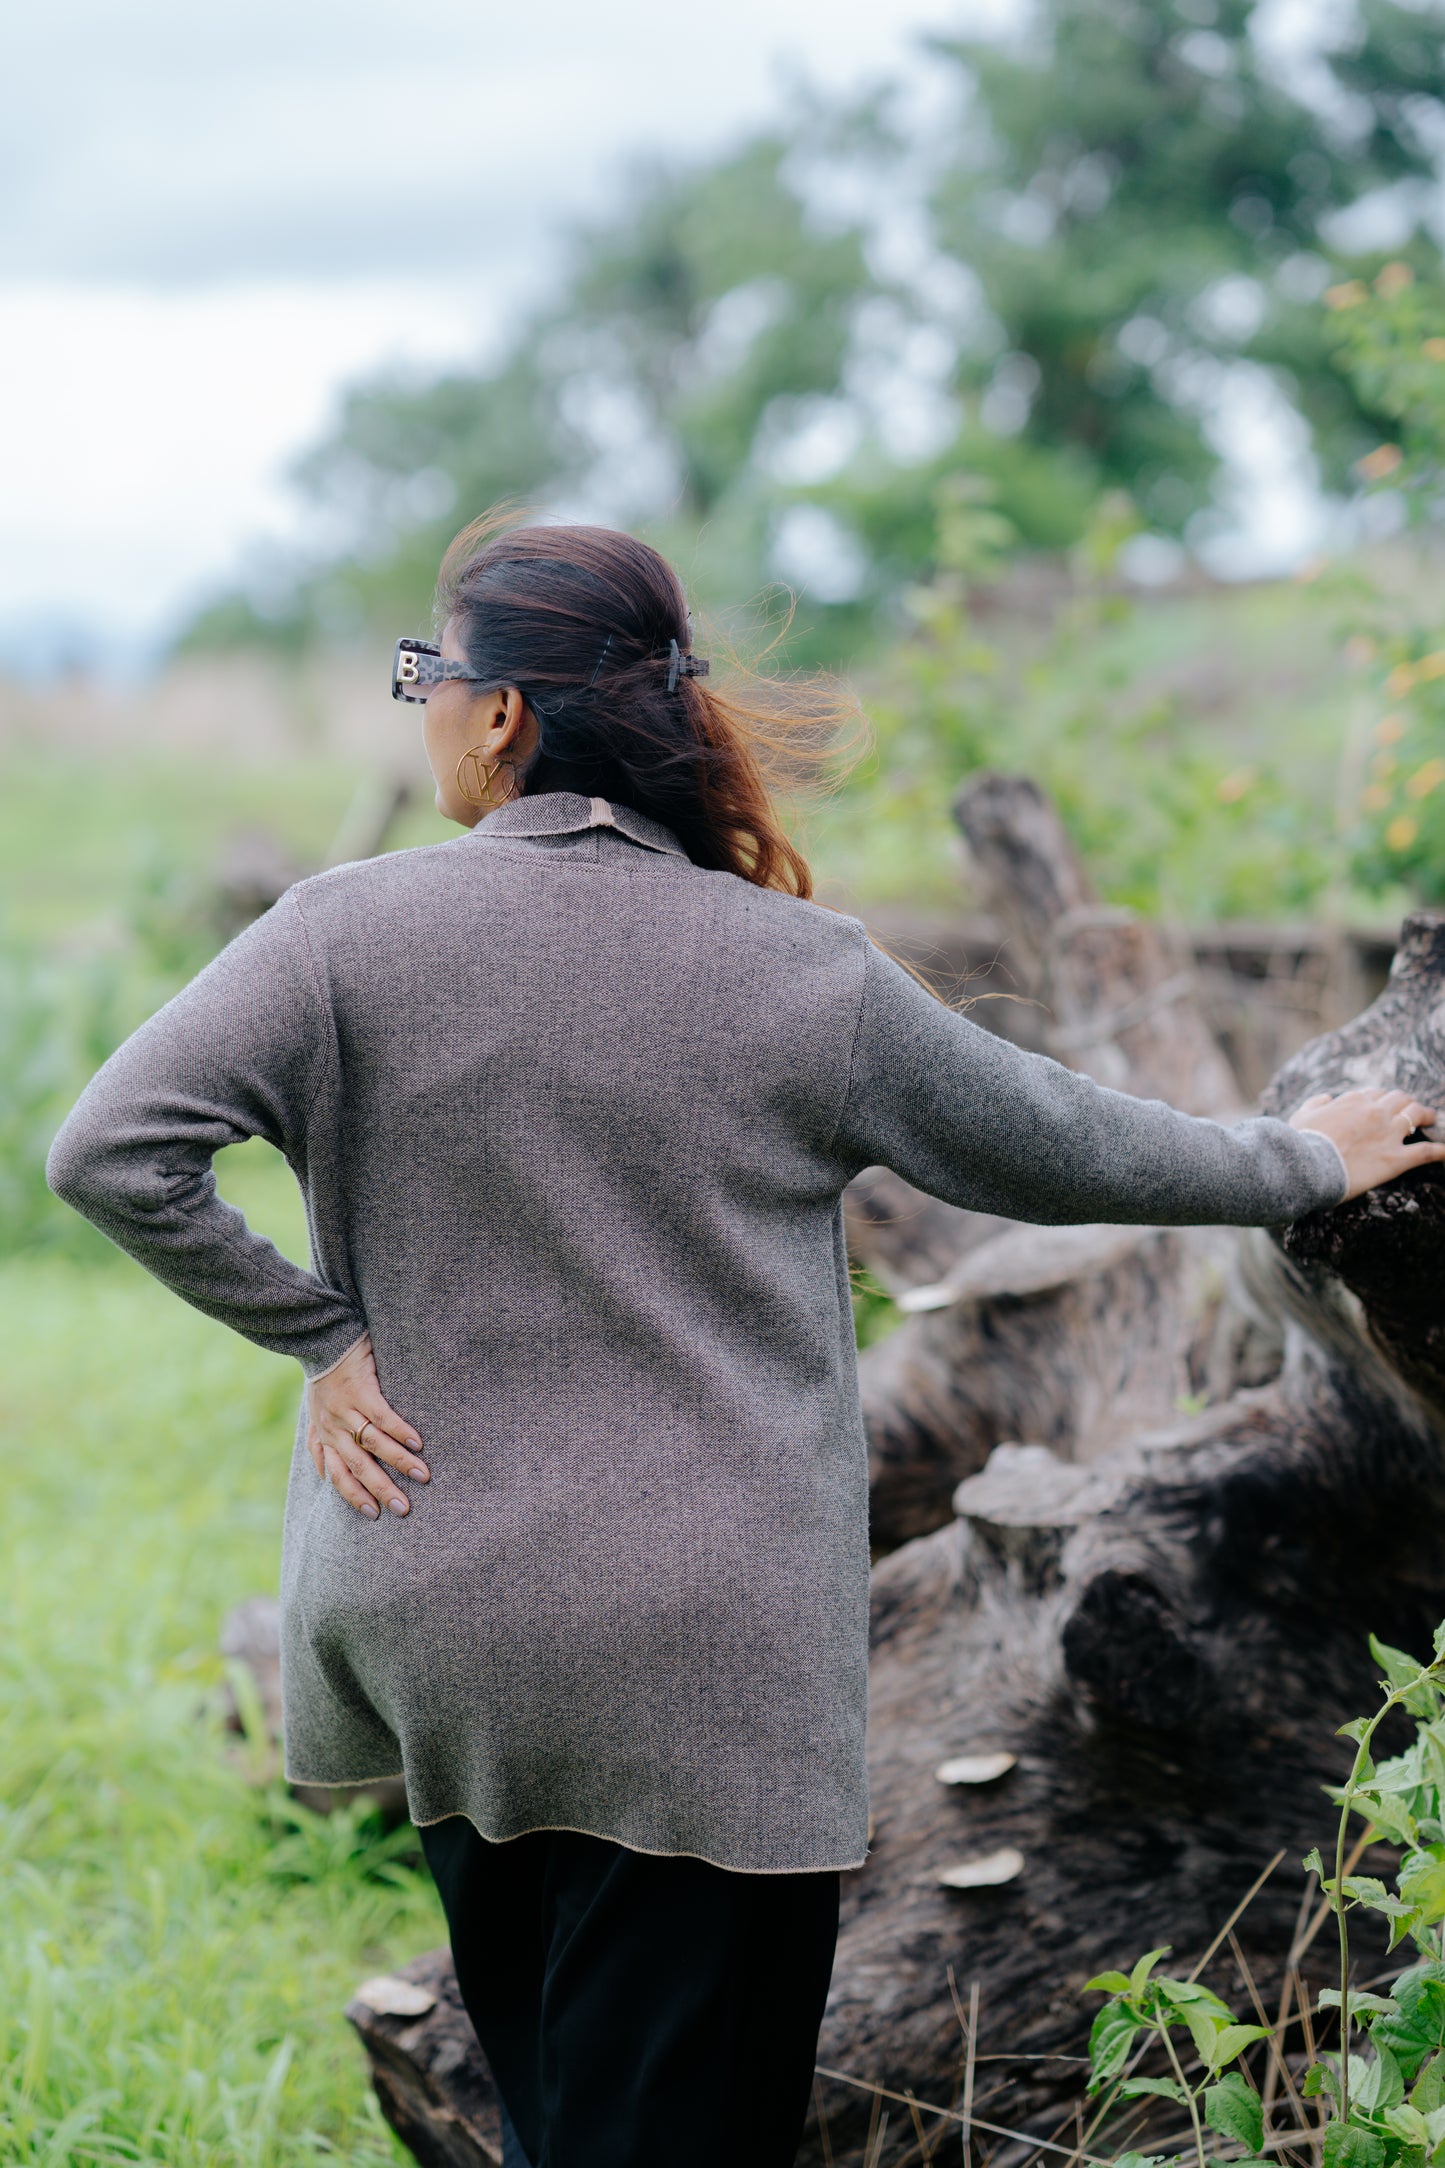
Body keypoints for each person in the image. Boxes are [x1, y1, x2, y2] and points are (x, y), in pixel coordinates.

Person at [48, 515, 1445, 2168]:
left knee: (556, 2093)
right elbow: (1072, 1146)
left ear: (500, 715)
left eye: (427, 676)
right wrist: (1308, 1156)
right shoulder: (802, 974)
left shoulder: (339, 935)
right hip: (696, 1658)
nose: (418, 707)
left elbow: (107, 1148)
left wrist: (318, 1335)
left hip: (437, 1611)